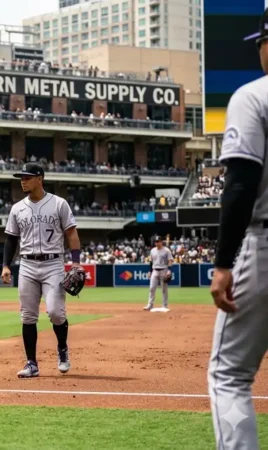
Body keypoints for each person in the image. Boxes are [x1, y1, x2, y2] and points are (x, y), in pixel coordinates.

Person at [208, 8, 268, 448]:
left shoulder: (253, 96)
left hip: (264, 245)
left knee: (228, 375)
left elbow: (241, 183)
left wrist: (223, 263)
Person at [0, 163, 82, 378]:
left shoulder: (59, 203)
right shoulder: (17, 208)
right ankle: (31, 364)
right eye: (21, 178)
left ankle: (62, 349)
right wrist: (6, 265)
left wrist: (76, 263)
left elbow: (71, 234)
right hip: (27, 264)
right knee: (28, 316)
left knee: (56, 312)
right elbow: (11, 239)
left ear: (40, 179)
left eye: (27, 177)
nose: (23, 181)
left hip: (53, 263)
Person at [144, 237, 173, 311]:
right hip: (155, 270)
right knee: (152, 288)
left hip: (164, 270)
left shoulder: (166, 250)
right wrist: (150, 271)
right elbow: (151, 262)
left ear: (161, 242)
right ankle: (150, 305)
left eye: (158, 241)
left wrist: (169, 270)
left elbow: (170, 260)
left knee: (164, 289)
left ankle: (165, 305)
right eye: (155, 242)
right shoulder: (152, 250)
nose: (156, 243)